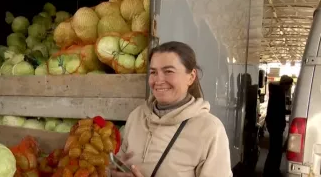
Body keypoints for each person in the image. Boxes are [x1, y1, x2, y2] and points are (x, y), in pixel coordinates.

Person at [111, 41, 233, 177]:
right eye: (153, 72)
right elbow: (120, 161)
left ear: (191, 77)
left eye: (168, 71)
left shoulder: (210, 129)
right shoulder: (136, 116)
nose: (158, 80)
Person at [263, 75, 293, 177]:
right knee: (276, 151)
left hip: (273, 124)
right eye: (289, 86)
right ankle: (272, 171)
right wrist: (289, 111)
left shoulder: (276, 91)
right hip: (276, 125)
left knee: (273, 150)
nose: (289, 88)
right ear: (285, 84)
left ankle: (269, 170)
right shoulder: (279, 93)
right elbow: (279, 111)